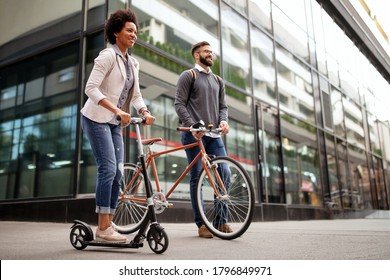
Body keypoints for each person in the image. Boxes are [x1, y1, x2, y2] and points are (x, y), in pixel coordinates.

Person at [81, 9, 155, 243]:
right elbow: (90, 88)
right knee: (108, 169)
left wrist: (144, 110)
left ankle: (108, 223)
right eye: (129, 30)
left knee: (118, 174)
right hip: (95, 118)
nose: (134, 35)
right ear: (116, 32)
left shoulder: (133, 62)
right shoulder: (107, 56)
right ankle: (103, 227)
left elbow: (136, 95)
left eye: (136, 31)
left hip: (114, 123)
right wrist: (117, 110)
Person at [175, 41, 231, 238]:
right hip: (194, 135)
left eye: (212, 52)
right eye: (207, 51)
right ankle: (202, 224)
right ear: (197, 55)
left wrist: (223, 121)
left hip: (214, 135)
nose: (211, 55)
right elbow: (179, 104)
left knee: (225, 173)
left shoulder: (218, 80)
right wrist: (193, 125)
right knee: (197, 176)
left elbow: (223, 107)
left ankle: (221, 221)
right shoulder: (188, 76)